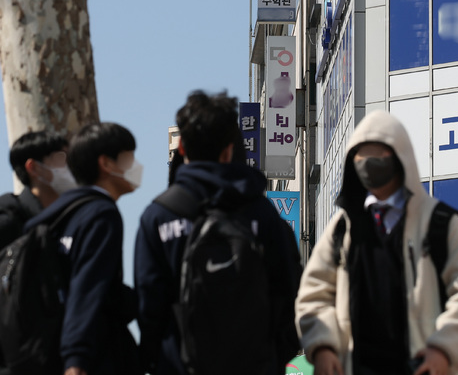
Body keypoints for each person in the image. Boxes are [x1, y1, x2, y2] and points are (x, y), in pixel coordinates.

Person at [295, 110, 458, 375]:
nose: (367, 163)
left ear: (400, 157)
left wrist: (443, 348)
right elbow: (312, 294)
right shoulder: (342, 227)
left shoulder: (440, 223)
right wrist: (323, 346)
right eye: (360, 155)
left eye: (377, 154)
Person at [134, 90, 302, 375]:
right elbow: (290, 292)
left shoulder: (159, 217)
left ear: (183, 149)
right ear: (229, 150)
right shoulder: (262, 213)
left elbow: (149, 306)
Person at [24, 122, 142, 375]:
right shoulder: (101, 214)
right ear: (107, 164)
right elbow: (87, 287)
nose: (136, 167)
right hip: (94, 359)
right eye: (129, 158)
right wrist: (76, 360)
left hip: (45, 355)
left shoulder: (50, 218)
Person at [0, 130, 74, 249]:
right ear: (34, 168)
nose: (72, 166)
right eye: (62, 158)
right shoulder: (8, 223)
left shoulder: (68, 221)